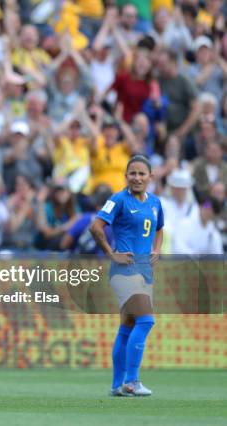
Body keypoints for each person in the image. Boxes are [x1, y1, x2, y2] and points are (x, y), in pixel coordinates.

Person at [91, 155, 164, 397]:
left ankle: (116, 385)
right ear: (126, 176)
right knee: (146, 321)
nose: (137, 177)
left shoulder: (155, 203)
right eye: (132, 173)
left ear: (150, 177)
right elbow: (96, 227)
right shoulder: (118, 199)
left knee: (127, 326)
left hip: (144, 271)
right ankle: (131, 381)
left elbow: (159, 228)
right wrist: (112, 254)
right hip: (124, 270)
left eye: (142, 173)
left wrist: (157, 248)